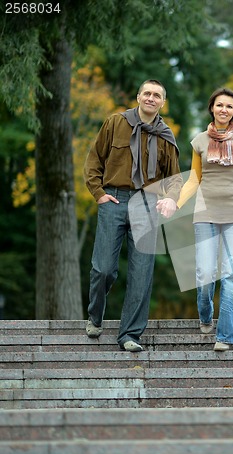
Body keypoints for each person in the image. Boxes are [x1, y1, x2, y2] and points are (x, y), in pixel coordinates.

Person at [158, 87, 233, 351]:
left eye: (229, 106)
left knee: (231, 275)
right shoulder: (199, 141)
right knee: (204, 274)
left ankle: (225, 336)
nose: (224, 109)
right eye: (219, 105)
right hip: (205, 213)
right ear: (212, 108)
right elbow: (194, 179)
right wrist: (176, 201)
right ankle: (205, 313)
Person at [84, 79, 181, 352]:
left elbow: (174, 178)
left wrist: (171, 199)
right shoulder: (115, 123)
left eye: (157, 95)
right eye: (147, 93)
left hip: (147, 204)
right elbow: (94, 161)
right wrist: (99, 193)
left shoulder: (165, 136)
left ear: (162, 102)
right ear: (138, 96)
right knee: (103, 268)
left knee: (141, 273)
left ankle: (130, 335)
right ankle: (95, 314)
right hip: (114, 199)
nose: (151, 98)